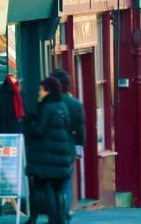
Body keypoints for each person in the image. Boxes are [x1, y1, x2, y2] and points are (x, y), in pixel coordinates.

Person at [24, 77, 74, 224]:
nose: (39, 92)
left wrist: (30, 121)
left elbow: (39, 130)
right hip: (61, 157)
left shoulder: (47, 107)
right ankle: (61, 218)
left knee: (38, 188)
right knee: (59, 188)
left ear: (48, 91)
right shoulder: (62, 105)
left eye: (41, 89)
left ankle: (32, 219)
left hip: (46, 158)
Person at [51, 69, 85, 223]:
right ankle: (66, 211)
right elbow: (80, 130)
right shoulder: (75, 104)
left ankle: (55, 213)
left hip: (50, 150)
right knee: (66, 183)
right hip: (67, 150)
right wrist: (79, 149)